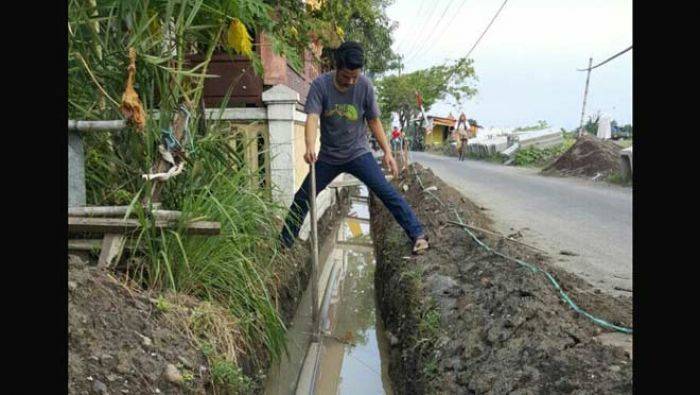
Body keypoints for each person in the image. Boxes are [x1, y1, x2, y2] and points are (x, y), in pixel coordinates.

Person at [279, 41, 429, 254]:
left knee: (386, 192)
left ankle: (417, 235)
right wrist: (310, 146)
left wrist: (387, 152)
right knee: (303, 197)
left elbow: (374, 121)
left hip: (359, 153)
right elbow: (312, 117)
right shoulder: (320, 85)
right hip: (329, 157)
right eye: (345, 77)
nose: (350, 81)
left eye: (354, 77)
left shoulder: (365, 86)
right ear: (336, 67)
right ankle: (284, 245)